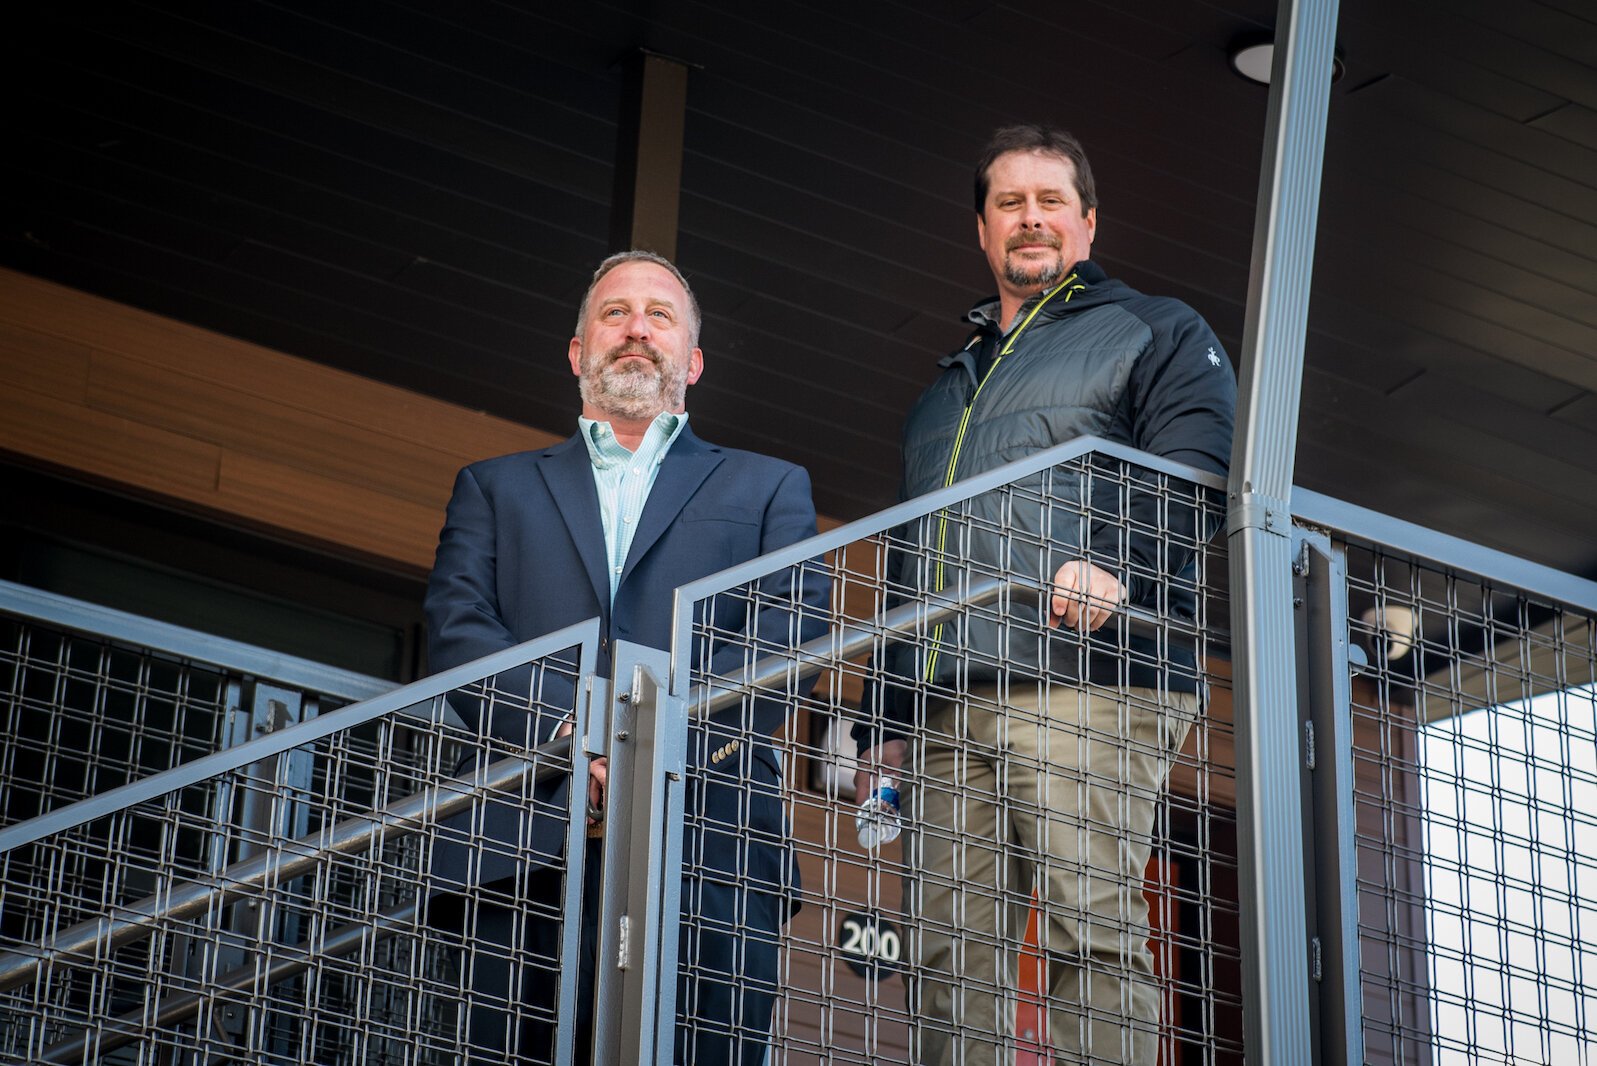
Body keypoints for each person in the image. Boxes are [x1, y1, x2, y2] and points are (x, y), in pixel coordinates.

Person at [855, 125, 1237, 1065]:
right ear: (983, 233)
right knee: (947, 961)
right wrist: (881, 717)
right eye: (1009, 204)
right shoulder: (944, 389)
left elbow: (1194, 469)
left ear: (1088, 223)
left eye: (1050, 201)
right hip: (948, 705)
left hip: (1087, 678)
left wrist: (1119, 566)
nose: (1031, 220)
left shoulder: (1158, 328)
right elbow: (916, 551)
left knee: (1088, 930)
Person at [426, 250, 829, 1064]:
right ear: (578, 354)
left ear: (694, 361)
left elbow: (793, 637)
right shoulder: (493, 488)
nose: (636, 329)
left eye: (659, 315)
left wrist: (654, 744)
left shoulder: (768, 488)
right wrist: (574, 732)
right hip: (526, 842)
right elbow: (456, 628)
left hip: (710, 848)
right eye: (613, 314)